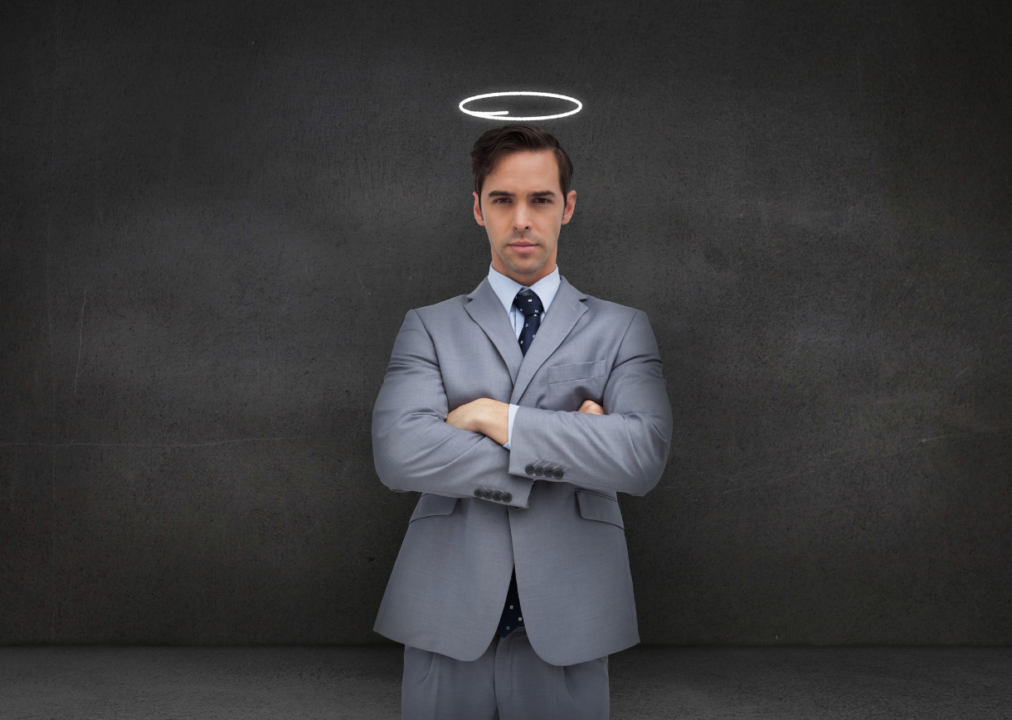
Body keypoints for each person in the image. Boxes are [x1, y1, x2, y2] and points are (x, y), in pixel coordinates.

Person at [371, 123, 673, 719]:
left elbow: (641, 457)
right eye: (503, 199)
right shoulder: (428, 325)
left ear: (569, 207)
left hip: (571, 616)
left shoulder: (622, 328)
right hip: (446, 613)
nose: (523, 219)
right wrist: (578, 442)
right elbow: (399, 452)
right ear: (478, 209)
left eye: (541, 199)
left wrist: (490, 415)